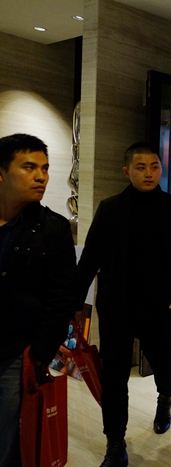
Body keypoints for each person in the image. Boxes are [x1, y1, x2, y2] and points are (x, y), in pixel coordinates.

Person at [78, 142, 171, 467]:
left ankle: (166, 398)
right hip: (116, 307)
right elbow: (90, 259)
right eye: (140, 167)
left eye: (154, 166)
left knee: (163, 362)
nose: (149, 173)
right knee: (114, 377)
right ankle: (115, 443)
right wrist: (74, 304)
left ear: (161, 169)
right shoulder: (110, 209)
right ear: (126, 171)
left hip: (160, 306)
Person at [0, 133, 77, 466]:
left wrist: (41, 354)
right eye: (29, 167)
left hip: (16, 354)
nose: (41, 176)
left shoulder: (52, 229)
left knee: (8, 437)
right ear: (1, 173)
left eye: (45, 168)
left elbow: (62, 298)